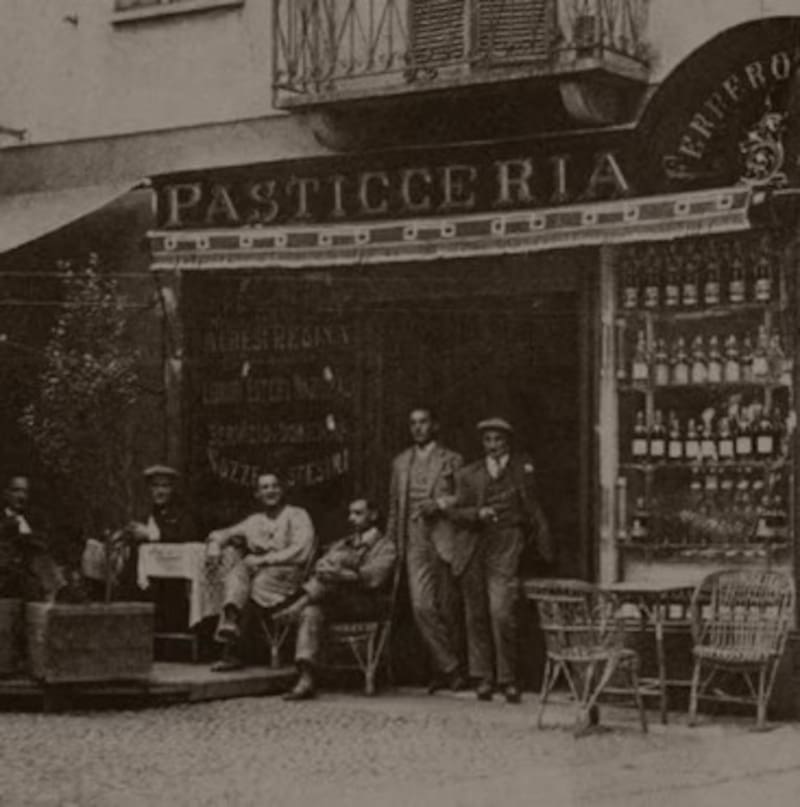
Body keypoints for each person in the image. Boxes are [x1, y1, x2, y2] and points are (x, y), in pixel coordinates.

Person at [447, 418, 553, 704]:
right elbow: (455, 513)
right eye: (488, 440)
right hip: (473, 545)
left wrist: (543, 545)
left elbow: (534, 509)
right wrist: (476, 514)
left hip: (507, 543)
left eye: (498, 440)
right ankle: (483, 677)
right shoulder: (469, 474)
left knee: (502, 611)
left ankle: (508, 678)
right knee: (476, 614)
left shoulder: (523, 469)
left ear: (508, 442)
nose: (493, 446)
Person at [277, 497, 397, 700]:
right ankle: (306, 678)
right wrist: (330, 570)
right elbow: (321, 566)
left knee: (334, 571)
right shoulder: (345, 542)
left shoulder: (385, 546)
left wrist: (342, 574)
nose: (351, 518)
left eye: (358, 513)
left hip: (366, 603)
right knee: (311, 612)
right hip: (336, 600)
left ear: (374, 515)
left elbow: (375, 578)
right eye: (350, 513)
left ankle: (298, 604)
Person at [385, 405, 466, 693]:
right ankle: (451, 667)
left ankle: (441, 671)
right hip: (413, 540)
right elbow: (395, 509)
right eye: (413, 423)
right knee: (422, 606)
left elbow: (465, 497)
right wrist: (392, 546)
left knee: (447, 608)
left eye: (423, 422)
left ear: (435, 426)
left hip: (444, 538)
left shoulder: (452, 459)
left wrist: (440, 504)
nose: (418, 428)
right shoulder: (400, 462)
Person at [206, 471, 315, 672]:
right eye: (264, 487)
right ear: (257, 494)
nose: (270, 491)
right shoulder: (254, 520)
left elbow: (301, 551)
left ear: (282, 490)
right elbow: (224, 533)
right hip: (259, 574)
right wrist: (214, 545)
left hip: (289, 574)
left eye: (274, 486)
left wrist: (264, 559)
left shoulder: (297, 515)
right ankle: (230, 621)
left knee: (251, 582)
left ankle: (233, 651)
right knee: (237, 572)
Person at [0, 475, 62, 601]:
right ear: (6, 494)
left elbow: (44, 544)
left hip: (32, 575)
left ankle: (55, 595)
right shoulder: (2, 519)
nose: (21, 496)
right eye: (16, 490)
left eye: (25, 491)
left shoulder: (34, 520)